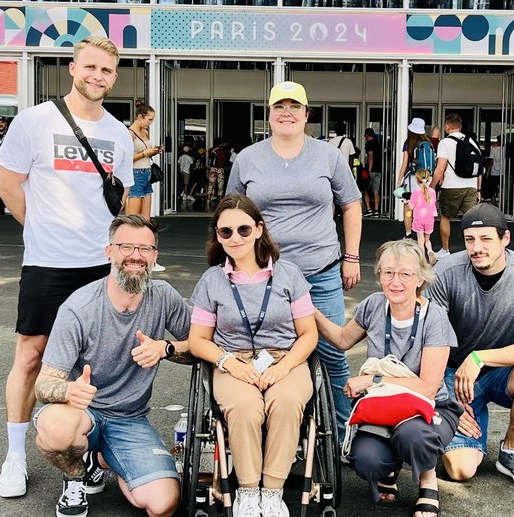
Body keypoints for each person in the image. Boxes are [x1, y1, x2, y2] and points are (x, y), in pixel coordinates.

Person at [0, 36, 134, 499]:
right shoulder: (35, 120)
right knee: (31, 356)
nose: (97, 76)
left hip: (100, 265)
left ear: (115, 77)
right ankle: (15, 456)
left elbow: (122, 200)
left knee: (92, 364)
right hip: (48, 263)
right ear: (73, 68)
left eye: (107, 71)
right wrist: (39, 230)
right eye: (90, 66)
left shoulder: (117, 132)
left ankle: (87, 454)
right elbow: (7, 184)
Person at [226, 80, 363, 443]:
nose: (287, 113)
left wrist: (351, 257)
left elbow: (351, 205)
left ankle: (344, 433)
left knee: (333, 352)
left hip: (319, 270)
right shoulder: (248, 158)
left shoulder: (329, 155)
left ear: (306, 114)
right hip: (263, 274)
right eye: (279, 107)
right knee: (262, 349)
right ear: (269, 114)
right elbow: (231, 213)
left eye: (294, 107)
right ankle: (264, 426)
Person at [33, 215, 192, 517]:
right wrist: (69, 389)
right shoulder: (79, 308)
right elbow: (43, 385)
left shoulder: (164, 297)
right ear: (109, 251)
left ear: (154, 256)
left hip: (130, 419)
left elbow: (199, 345)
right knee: (56, 429)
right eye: (126, 247)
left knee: (163, 504)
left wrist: (166, 348)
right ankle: (76, 476)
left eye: (145, 249)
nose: (136, 255)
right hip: (83, 412)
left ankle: (105, 460)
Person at [189, 194, 318, 517]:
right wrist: (228, 362)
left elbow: (309, 334)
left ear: (259, 230)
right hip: (232, 359)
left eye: (244, 230)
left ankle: (272, 491)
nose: (235, 238)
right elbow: (198, 340)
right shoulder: (212, 281)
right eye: (226, 232)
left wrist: (284, 366)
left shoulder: (288, 274)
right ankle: (247, 491)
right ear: (217, 236)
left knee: (287, 402)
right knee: (245, 407)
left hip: (285, 356)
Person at [315, 239, 461, 517]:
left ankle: (427, 480)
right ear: (379, 275)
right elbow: (343, 340)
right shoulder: (373, 305)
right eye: (388, 272)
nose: (396, 282)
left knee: (413, 436)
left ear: (420, 279)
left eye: (405, 274)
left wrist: (373, 380)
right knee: (366, 460)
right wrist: (307, 310)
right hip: (384, 410)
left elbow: (428, 387)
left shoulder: (435, 318)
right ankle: (390, 469)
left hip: (429, 408)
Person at [427, 203, 514, 490]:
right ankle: (447, 431)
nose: (477, 247)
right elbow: (426, 341)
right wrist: (442, 401)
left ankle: (510, 452)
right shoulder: (445, 272)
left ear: (505, 239)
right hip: (452, 372)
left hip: (501, 370)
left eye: (486, 239)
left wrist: (479, 358)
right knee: (460, 470)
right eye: (470, 240)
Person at [431, 114, 482, 258]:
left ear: (447, 127)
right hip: (471, 186)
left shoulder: (445, 143)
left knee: (445, 217)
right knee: (470, 220)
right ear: (460, 126)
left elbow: (440, 169)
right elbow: (479, 169)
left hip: (451, 186)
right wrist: (478, 189)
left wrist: (431, 186)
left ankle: (445, 250)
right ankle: (472, 251)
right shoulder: (472, 141)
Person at [394, 118, 434, 238]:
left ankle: (408, 233)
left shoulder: (409, 143)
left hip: (412, 178)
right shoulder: (428, 143)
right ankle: (423, 233)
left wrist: (399, 179)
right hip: (426, 178)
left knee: (408, 205)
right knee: (424, 204)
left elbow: (405, 163)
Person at [126, 101, 163, 221]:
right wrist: (144, 153)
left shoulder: (145, 132)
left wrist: (154, 151)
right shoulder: (130, 133)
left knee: (146, 218)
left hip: (147, 172)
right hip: (136, 173)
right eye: (149, 119)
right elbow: (125, 159)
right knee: (133, 218)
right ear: (140, 117)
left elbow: (144, 152)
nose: (150, 123)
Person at [409, 169, 438, 264]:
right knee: (427, 240)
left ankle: (421, 258)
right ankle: (430, 251)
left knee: (420, 240)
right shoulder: (433, 192)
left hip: (419, 219)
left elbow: (411, 206)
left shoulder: (416, 192)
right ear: (429, 179)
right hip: (430, 219)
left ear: (416, 180)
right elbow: (433, 203)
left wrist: (406, 203)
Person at [363, 127, 383, 217]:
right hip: (379, 170)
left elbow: (370, 156)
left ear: (367, 135)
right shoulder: (378, 144)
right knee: (376, 191)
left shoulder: (369, 144)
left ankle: (368, 209)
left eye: (365, 136)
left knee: (365, 189)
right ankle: (376, 210)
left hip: (371, 170)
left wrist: (369, 170)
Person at [482, 135, 504, 203]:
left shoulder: (494, 149)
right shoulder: (506, 149)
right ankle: (503, 201)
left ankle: (493, 201)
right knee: (502, 188)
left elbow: (491, 162)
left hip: (494, 172)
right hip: (503, 172)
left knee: (492, 188)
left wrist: (487, 172)